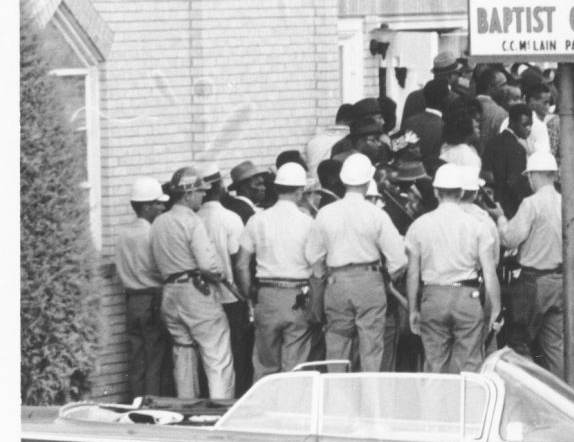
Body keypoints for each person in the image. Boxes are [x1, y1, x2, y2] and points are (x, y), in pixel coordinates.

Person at [303, 152, 407, 374]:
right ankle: (369, 399)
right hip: (370, 281)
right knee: (371, 346)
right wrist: (388, 278)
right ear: (369, 180)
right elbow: (398, 261)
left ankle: (338, 398)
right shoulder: (377, 215)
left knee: (337, 344)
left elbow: (313, 256)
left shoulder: (325, 213)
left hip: (336, 282)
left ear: (343, 180)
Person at [404, 164, 502, 375]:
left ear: (436, 192)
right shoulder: (478, 226)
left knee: (434, 362)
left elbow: (413, 274)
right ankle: (468, 406)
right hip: (467, 296)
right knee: (470, 364)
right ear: (461, 192)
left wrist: (413, 309)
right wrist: (495, 309)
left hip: (433, 296)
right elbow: (489, 272)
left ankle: (437, 406)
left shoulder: (419, 226)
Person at [150, 165, 237, 400]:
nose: (203, 195)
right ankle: (221, 407)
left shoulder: (159, 222)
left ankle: (186, 407)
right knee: (216, 354)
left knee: (183, 353)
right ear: (188, 194)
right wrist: (220, 275)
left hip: (169, 292)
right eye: (199, 191)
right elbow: (209, 265)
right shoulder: (192, 221)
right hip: (195, 291)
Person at [235, 159, 317, 380]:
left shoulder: (257, 219)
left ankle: (265, 408)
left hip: (266, 295)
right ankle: (291, 409)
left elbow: (241, 264)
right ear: (300, 191)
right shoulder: (307, 222)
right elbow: (318, 264)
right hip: (298, 295)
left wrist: (249, 295)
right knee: (296, 364)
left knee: (264, 363)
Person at [498, 150, 567, 373]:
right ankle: (561, 395)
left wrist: (500, 218)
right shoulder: (565, 203)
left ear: (533, 176)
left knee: (519, 341)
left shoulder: (531, 204)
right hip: (558, 279)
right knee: (553, 345)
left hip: (532, 281)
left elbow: (510, 240)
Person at [114, 177, 173, 397]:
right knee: (155, 357)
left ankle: (136, 401)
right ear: (147, 206)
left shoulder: (122, 234)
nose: (162, 207)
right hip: (152, 299)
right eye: (158, 203)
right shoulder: (152, 233)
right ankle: (152, 403)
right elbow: (159, 268)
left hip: (131, 301)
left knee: (137, 358)